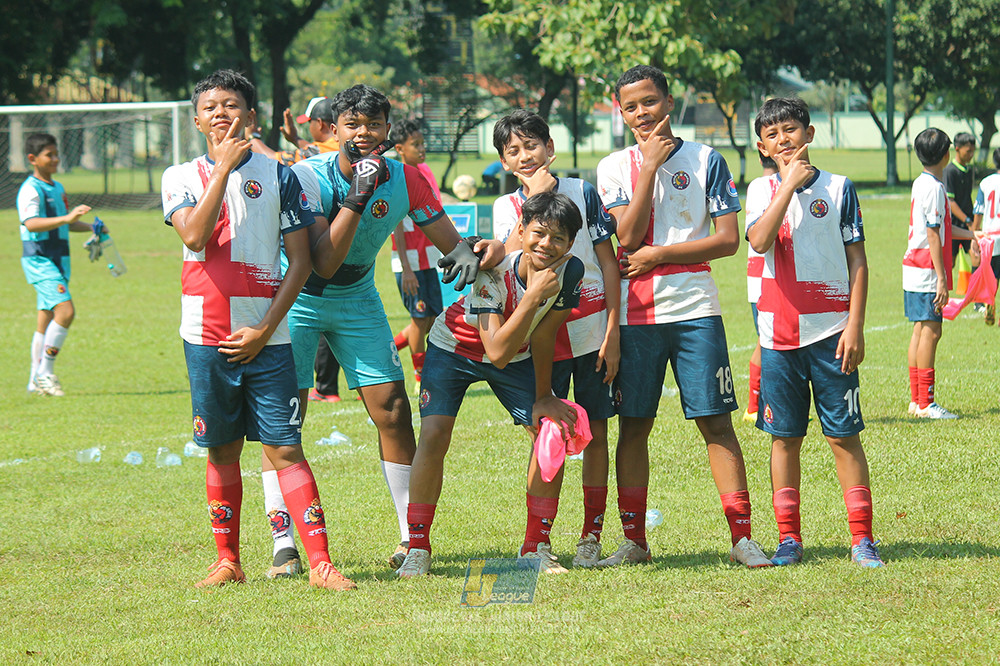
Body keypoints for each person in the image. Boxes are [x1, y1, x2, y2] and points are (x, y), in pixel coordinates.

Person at [260, 84, 503, 575]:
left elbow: (452, 244)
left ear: (388, 130)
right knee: (286, 418)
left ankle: (410, 537)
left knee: (392, 410)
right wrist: (358, 194)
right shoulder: (308, 176)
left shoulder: (407, 179)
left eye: (374, 125)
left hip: (358, 297)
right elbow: (322, 264)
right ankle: (284, 545)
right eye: (353, 124)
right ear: (334, 130)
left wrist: (480, 250)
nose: (364, 133)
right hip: (298, 296)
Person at [160, 68, 354, 590]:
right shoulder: (180, 176)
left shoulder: (281, 176)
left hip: (270, 337)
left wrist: (266, 329)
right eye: (210, 106)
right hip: (206, 334)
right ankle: (228, 560)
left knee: (285, 447)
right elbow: (195, 236)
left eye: (231, 104)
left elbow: (301, 262)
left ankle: (320, 563)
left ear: (250, 114)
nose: (221, 113)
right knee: (222, 449)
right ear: (196, 119)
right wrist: (222, 169)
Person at [596, 65, 771, 568]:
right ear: (621, 113)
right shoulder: (614, 167)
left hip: (696, 310)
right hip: (635, 317)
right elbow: (627, 237)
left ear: (669, 102)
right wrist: (649, 166)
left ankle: (742, 539)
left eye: (650, 101)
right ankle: (635, 542)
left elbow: (728, 240)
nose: (642, 113)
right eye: (631, 106)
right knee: (634, 426)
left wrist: (660, 256)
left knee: (716, 422)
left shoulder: (706, 159)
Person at [397, 190, 585, 578]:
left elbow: (545, 333)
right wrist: (532, 296)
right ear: (521, 230)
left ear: (570, 245)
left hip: (517, 356)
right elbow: (496, 350)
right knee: (434, 435)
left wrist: (544, 397)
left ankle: (536, 546)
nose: (546, 244)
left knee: (550, 431)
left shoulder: (571, 271)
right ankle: (417, 547)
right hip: (454, 348)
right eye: (539, 233)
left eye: (558, 238)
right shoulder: (493, 271)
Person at [747, 96, 882, 568]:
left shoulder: (839, 188)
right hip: (778, 338)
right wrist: (787, 185)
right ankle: (789, 538)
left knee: (843, 437)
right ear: (762, 146)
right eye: (772, 134)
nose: (783, 139)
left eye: (790, 129)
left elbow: (857, 261)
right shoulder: (760, 190)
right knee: (784, 438)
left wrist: (855, 326)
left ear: (809, 133)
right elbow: (759, 240)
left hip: (832, 333)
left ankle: (862, 538)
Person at [490, 109, 620, 568]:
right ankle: (537, 543)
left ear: (550, 148)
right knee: (547, 436)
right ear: (504, 162)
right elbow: (504, 261)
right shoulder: (504, 207)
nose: (525, 156)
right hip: (539, 339)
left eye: (532, 145)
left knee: (596, 432)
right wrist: (534, 199)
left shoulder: (583, 192)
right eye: (513, 151)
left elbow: (608, 262)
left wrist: (613, 329)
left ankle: (591, 538)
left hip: (590, 333)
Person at [17, 133, 97, 397]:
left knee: (46, 318)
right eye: (49, 155)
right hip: (40, 260)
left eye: (56, 154)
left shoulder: (57, 187)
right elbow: (31, 223)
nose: (55, 159)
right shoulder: (30, 189)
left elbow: (65, 222)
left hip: (59, 259)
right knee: (65, 311)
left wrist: (92, 227)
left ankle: (34, 380)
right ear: (32, 159)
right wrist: (67, 218)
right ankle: (45, 373)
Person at [903, 128, 974, 419]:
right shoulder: (934, 188)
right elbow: (933, 234)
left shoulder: (922, 182)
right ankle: (926, 403)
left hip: (915, 267)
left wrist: (972, 234)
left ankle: (916, 400)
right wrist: (942, 279)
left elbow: (942, 227)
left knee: (921, 330)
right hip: (927, 270)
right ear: (946, 155)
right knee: (932, 331)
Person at [388, 117, 445, 387]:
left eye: (423, 143)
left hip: (428, 260)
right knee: (420, 320)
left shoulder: (424, 172)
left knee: (431, 319)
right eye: (416, 145)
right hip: (410, 263)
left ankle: (387, 351)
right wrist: (406, 269)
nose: (422, 149)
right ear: (400, 148)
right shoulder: (397, 178)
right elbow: (396, 226)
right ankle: (420, 376)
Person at [744, 152, 779, 423]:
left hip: (756, 279)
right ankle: (755, 406)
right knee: (766, 342)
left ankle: (756, 405)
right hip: (768, 280)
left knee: (764, 340)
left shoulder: (756, 188)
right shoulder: (768, 189)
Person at [249, 96, 340, 166]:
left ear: (320, 123)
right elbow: (314, 149)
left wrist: (252, 136)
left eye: (310, 122)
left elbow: (272, 160)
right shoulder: (338, 144)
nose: (310, 127)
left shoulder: (320, 151)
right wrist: (295, 139)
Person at [972, 147, 1000, 325]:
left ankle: (990, 301)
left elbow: (979, 210)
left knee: (993, 273)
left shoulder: (986, 182)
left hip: (990, 236)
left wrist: (975, 233)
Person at [944, 132, 977, 264]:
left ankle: (974, 279)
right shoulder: (950, 171)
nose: (971, 155)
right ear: (957, 148)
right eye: (968, 151)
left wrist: (972, 220)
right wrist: (967, 220)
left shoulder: (969, 170)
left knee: (977, 257)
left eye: (973, 151)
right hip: (954, 223)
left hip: (968, 222)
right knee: (950, 263)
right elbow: (950, 202)